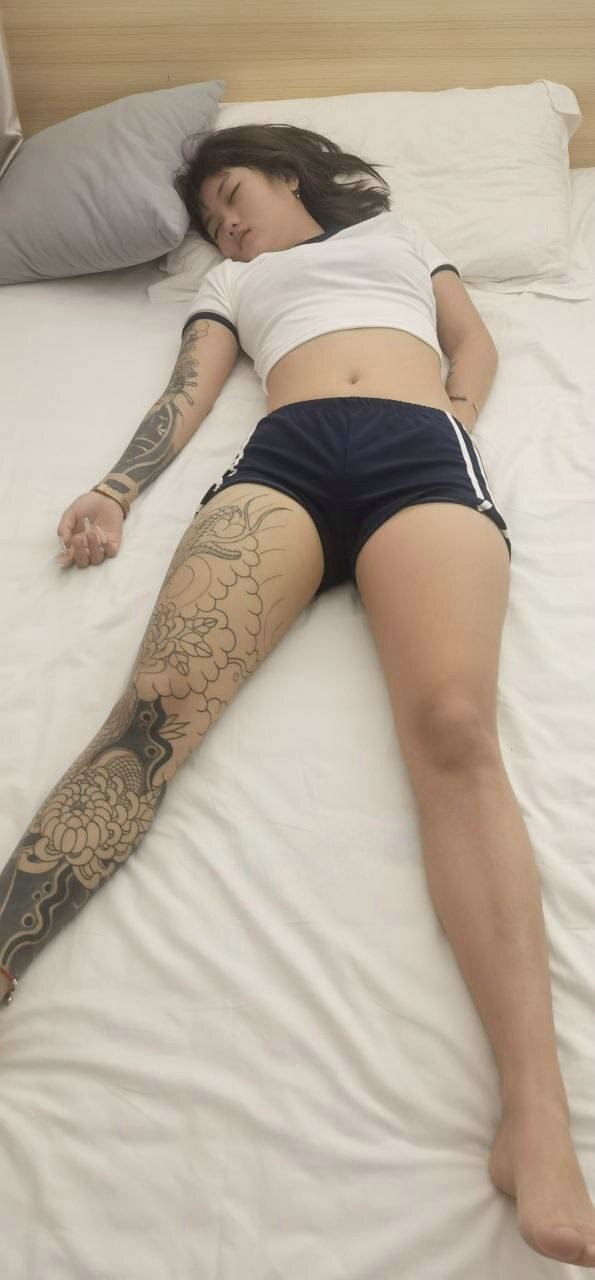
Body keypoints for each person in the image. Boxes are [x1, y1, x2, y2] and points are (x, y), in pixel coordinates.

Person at [3, 124, 595, 1270]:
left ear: (287, 174)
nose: (225, 223)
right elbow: (187, 391)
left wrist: (457, 413)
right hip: (288, 455)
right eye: (208, 218)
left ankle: (534, 1117)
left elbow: (470, 338)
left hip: (419, 451)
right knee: (154, 706)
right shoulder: (232, 283)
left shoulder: (400, 239)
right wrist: (116, 488)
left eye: (233, 194)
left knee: (455, 727)